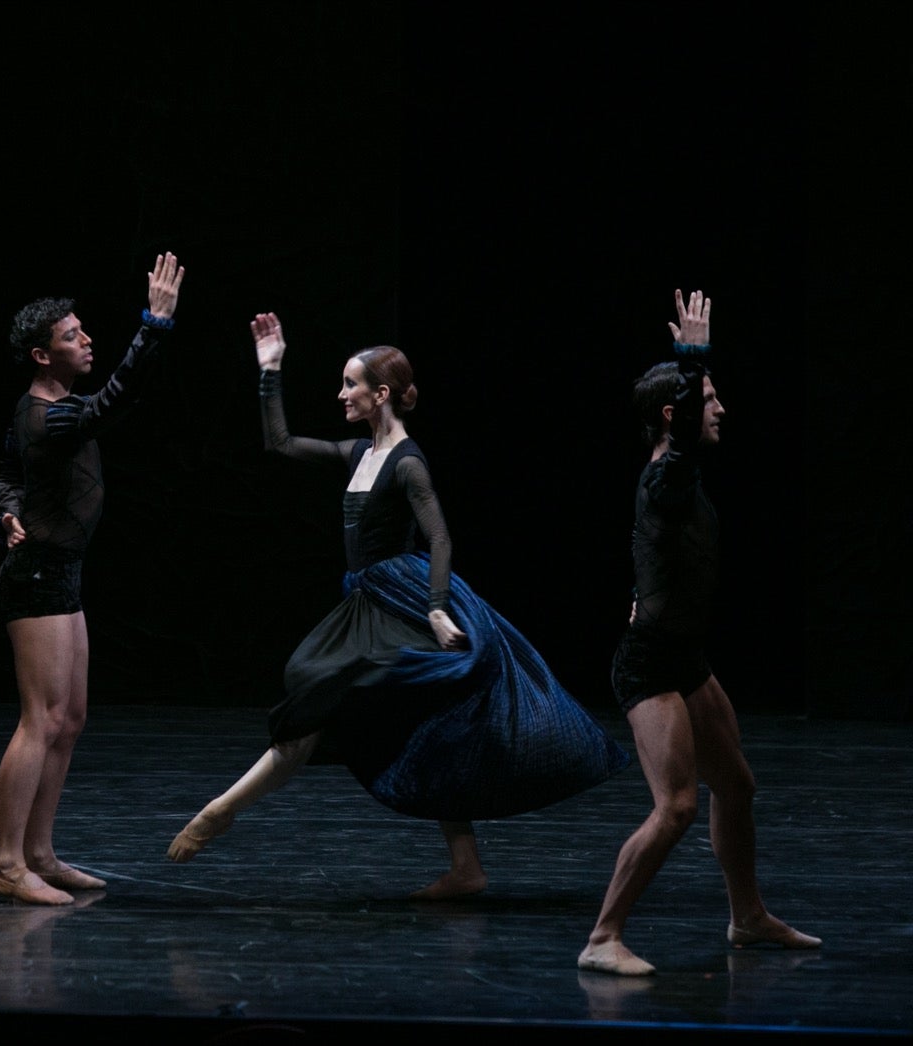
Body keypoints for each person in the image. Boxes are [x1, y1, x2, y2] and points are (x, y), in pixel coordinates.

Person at [166, 312, 628, 898]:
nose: (341, 394)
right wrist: (270, 370)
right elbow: (278, 444)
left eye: (350, 385)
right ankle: (466, 869)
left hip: (403, 598)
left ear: (380, 394)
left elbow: (438, 536)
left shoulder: (408, 461)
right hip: (365, 598)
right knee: (401, 712)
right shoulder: (359, 453)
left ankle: (223, 808)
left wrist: (437, 608)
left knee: (327, 690)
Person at [577, 289, 820, 975]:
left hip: (685, 657)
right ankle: (602, 938)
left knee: (735, 786)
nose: (720, 409)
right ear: (673, 413)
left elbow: (650, 555)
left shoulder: (674, 487)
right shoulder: (668, 476)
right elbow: (682, 443)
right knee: (677, 806)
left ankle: (747, 918)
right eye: (707, 399)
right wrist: (692, 359)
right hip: (650, 665)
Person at [0, 252, 185, 905]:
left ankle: (40, 852)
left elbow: (7, 474)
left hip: (60, 569)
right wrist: (153, 325)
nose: (86, 339)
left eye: (82, 330)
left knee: (70, 718)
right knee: (40, 719)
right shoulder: (49, 415)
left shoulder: (45, 409)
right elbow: (113, 403)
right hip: (36, 575)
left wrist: (8, 510)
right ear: (44, 356)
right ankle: (6, 863)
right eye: (72, 335)